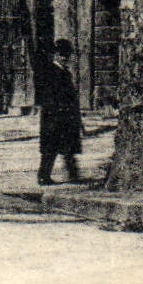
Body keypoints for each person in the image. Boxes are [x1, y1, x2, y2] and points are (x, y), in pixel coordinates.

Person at [36, 38, 83, 185]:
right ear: (55, 55)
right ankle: (44, 176)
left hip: (66, 116)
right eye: (61, 54)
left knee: (68, 147)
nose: (64, 58)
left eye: (66, 55)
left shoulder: (64, 72)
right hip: (54, 116)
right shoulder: (51, 72)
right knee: (51, 148)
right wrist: (58, 111)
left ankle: (73, 174)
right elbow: (49, 96)